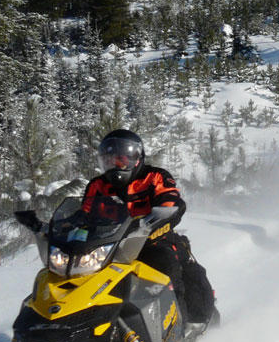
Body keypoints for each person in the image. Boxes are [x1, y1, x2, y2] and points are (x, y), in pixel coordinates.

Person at [82, 129, 216, 325]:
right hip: (108, 247)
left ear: (135, 157)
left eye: (121, 160)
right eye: (109, 160)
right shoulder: (97, 186)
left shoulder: (154, 177)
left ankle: (179, 327)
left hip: (153, 241)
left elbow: (170, 202)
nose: (116, 165)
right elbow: (83, 215)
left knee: (166, 266)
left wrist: (155, 223)